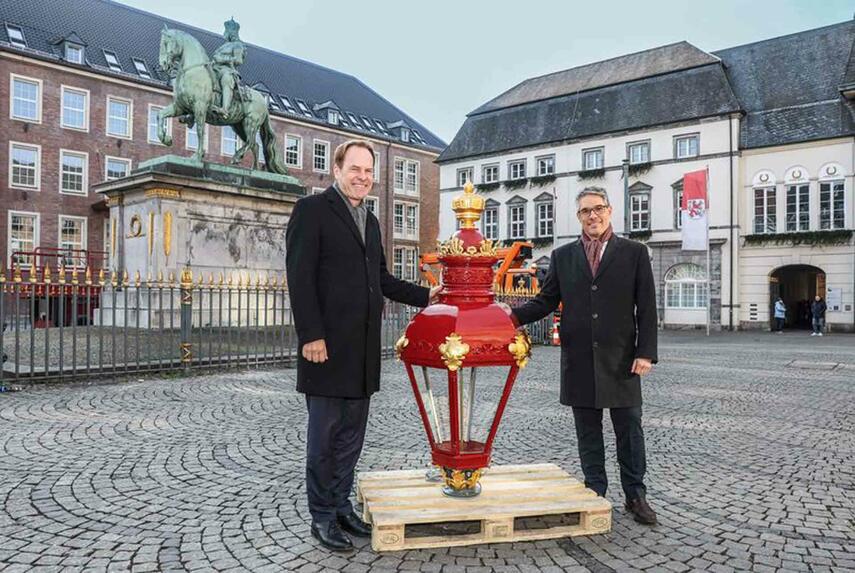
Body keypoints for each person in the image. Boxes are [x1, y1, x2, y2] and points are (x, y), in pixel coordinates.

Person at [286, 139, 438, 552]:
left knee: (352, 437)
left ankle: (340, 506)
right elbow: (299, 279)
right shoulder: (312, 211)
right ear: (337, 169)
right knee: (324, 439)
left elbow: (382, 280)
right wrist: (311, 336)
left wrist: (429, 297)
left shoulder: (369, 221)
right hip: (327, 349)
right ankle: (321, 515)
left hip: (363, 350)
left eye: (368, 172)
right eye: (355, 169)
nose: (362, 177)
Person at [510, 188, 659, 525]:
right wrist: (511, 315)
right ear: (578, 216)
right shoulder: (563, 257)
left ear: (610, 210)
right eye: (585, 211)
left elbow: (647, 306)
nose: (593, 216)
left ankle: (636, 495)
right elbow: (545, 302)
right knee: (588, 432)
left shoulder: (634, 253)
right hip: (579, 359)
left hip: (622, 360)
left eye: (598, 209)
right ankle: (595, 491)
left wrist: (646, 352)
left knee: (630, 431)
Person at [211, 18, 246, 118]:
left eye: (227, 30)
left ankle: (225, 109)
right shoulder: (223, 46)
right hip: (215, 68)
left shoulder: (238, 45)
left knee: (226, 79)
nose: (225, 32)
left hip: (228, 70)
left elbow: (239, 60)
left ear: (233, 32)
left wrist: (223, 59)